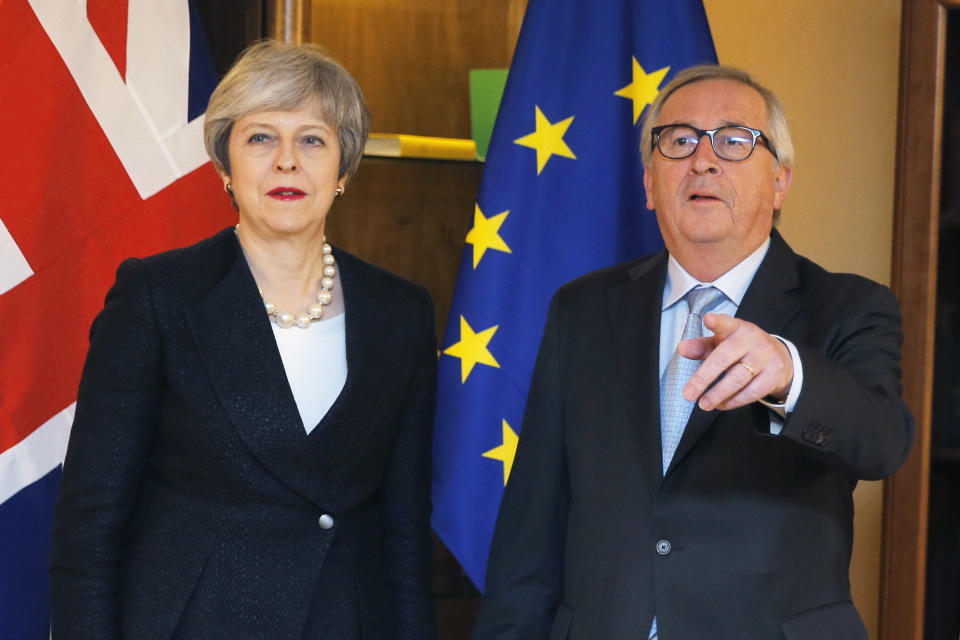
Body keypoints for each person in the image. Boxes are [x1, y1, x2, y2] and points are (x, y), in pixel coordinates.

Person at [472, 65, 915, 640]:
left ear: (780, 182)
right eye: (679, 141)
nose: (703, 160)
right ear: (651, 184)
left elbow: (882, 441)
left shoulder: (849, 305)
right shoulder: (582, 309)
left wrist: (787, 374)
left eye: (734, 141)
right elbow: (531, 526)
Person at [50, 40, 437, 640]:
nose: (287, 161)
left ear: (344, 167)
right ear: (225, 166)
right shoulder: (156, 296)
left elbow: (404, 534)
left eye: (312, 139)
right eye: (260, 137)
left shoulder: (402, 314)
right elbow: (89, 528)